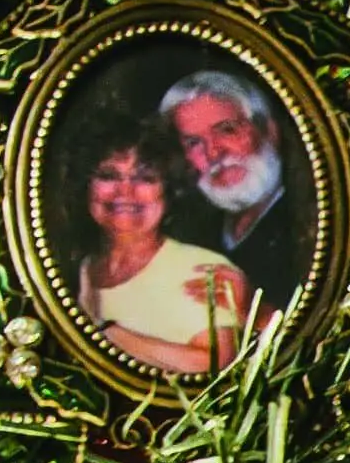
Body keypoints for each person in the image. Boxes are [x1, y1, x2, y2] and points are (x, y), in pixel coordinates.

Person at [70, 131, 253, 382]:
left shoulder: (202, 268)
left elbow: (214, 366)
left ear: (169, 191)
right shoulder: (81, 269)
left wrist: (104, 331)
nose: (125, 191)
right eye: (109, 176)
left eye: (145, 178)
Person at [158, 68, 310, 319]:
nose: (213, 153)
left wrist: (256, 311)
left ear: (269, 130)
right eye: (194, 142)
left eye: (226, 129)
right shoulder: (193, 229)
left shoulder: (308, 217)